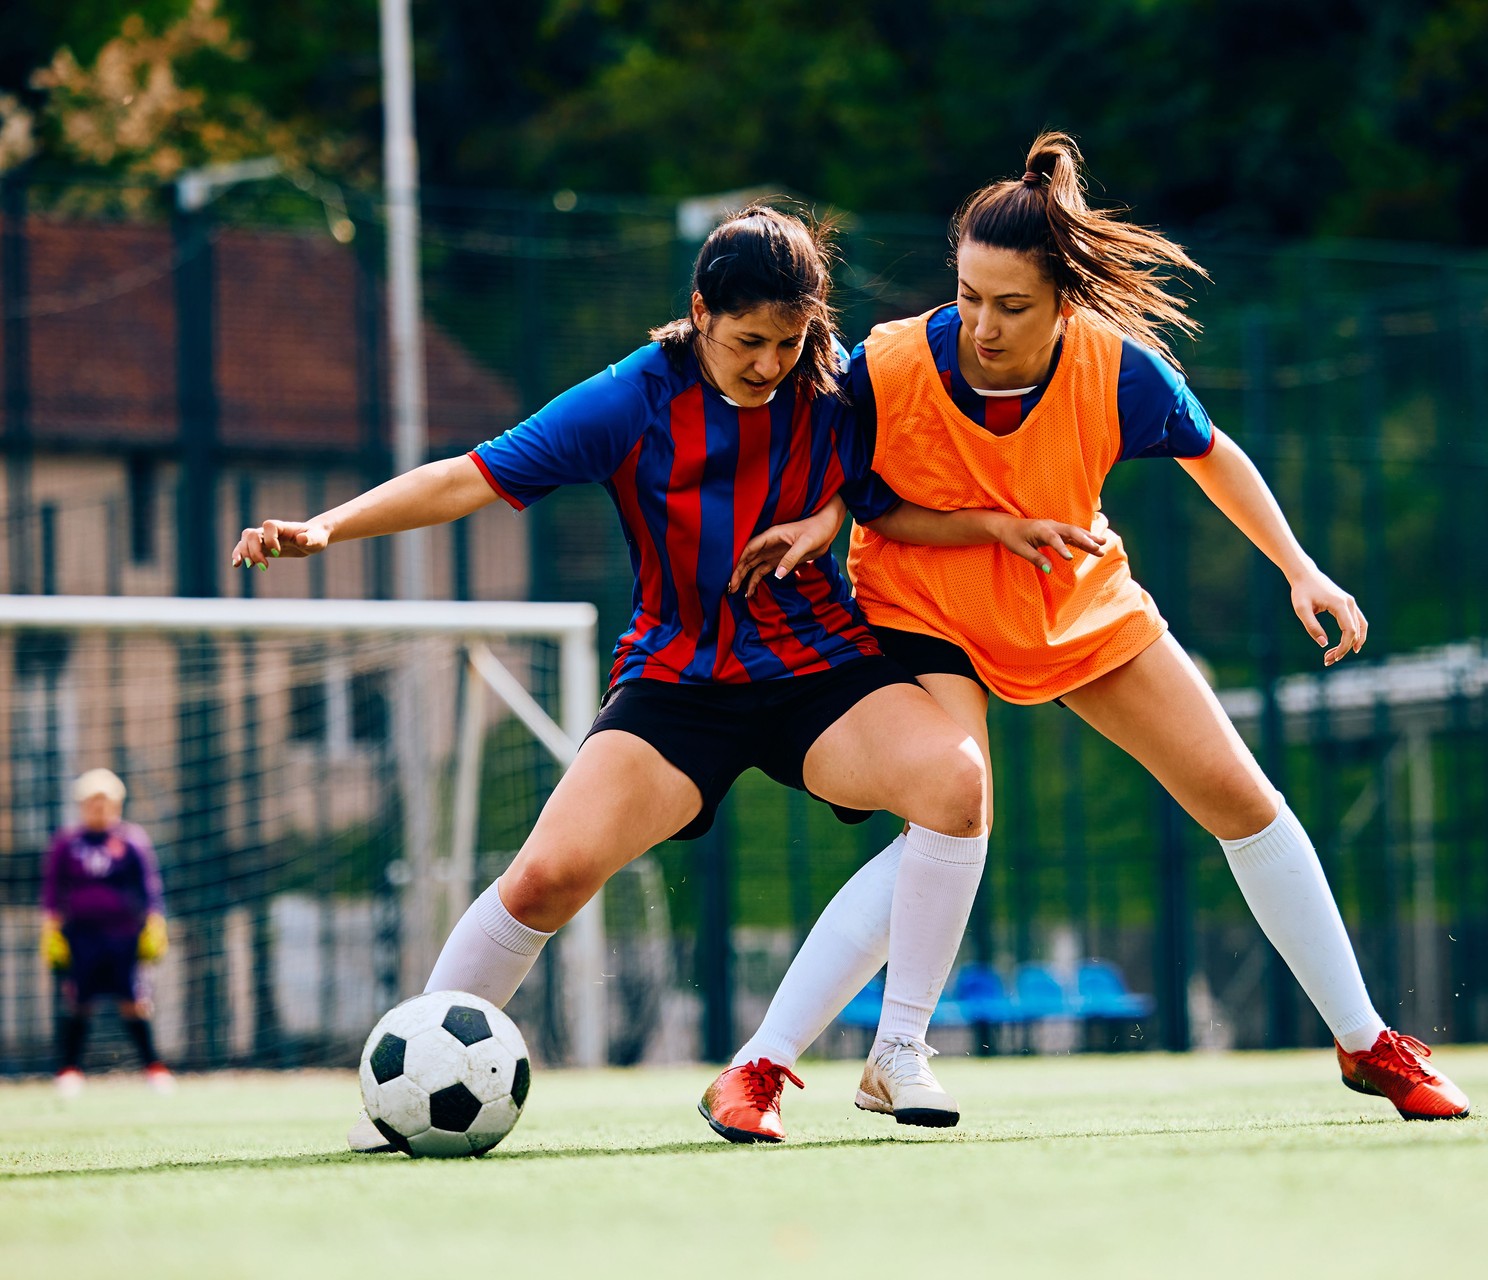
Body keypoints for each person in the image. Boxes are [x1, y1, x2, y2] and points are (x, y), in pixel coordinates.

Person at [713, 132, 1470, 1131]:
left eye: (1011, 304)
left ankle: (1369, 1041)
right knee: (952, 810)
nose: (982, 323)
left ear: (1064, 299)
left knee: (1245, 800)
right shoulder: (889, 363)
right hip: (922, 606)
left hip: (1075, 602)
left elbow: (1215, 455)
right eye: (969, 294)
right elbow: (842, 477)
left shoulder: (1118, 370)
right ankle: (765, 1065)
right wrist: (818, 520)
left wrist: (1301, 568)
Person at [232, 206, 994, 1149]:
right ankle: (404, 1091)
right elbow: (471, 476)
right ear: (699, 314)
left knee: (958, 787)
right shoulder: (633, 397)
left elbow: (888, 469)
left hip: (817, 670)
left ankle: (898, 1050)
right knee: (547, 878)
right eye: (749, 340)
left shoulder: (841, 387)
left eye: (789, 342)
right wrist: (328, 528)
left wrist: (833, 510)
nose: (768, 364)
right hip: (678, 681)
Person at [41, 768, 174, 1095]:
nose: (99, 808)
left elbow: (149, 887)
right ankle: (69, 1071)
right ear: (82, 806)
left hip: (123, 937)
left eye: (105, 802)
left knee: (134, 1001)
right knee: (78, 1001)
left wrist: (155, 922)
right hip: (81, 937)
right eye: (92, 802)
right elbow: (52, 890)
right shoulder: (67, 844)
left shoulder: (131, 841)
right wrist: (51, 928)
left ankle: (154, 1068)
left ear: (117, 805)